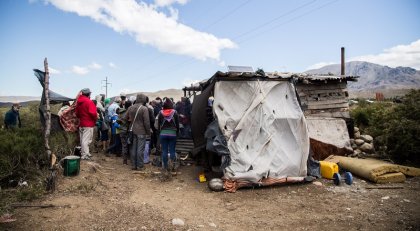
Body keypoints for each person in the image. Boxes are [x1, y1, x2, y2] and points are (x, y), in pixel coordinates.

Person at [125, 93, 150, 170]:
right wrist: (148, 131)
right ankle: (140, 166)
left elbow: (126, 118)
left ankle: (133, 165)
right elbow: (146, 122)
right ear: (143, 99)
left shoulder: (130, 108)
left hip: (132, 131)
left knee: (133, 148)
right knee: (140, 149)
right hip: (141, 131)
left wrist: (130, 122)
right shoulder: (144, 109)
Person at [157, 97, 180, 172]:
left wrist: (159, 132)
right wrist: (177, 132)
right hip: (173, 134)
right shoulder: (175, 112)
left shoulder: (161, 112)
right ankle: (172, 166)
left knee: (164, 151)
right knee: (172, 150)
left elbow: (159, 124)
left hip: (163, 133)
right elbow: (177, 124)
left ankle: (165, 167)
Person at [75, 88, 97, 160]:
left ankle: (84, 153)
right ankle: (85, 155)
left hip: (81, 123)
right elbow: (93, 113)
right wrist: (95, 119)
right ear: (89, 94)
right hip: (88, 124)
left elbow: (77, 114)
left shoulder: (78, 102)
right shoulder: (89, 102)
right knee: (86, 140)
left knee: (82, 140)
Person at [119, 100, 132, 165]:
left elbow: (117, 121)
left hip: (122, 130)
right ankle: (131, 160)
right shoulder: (130, 113)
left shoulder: (121, 112)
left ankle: (125, 160)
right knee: (130, 145)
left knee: (124, 145)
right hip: (128, 131)